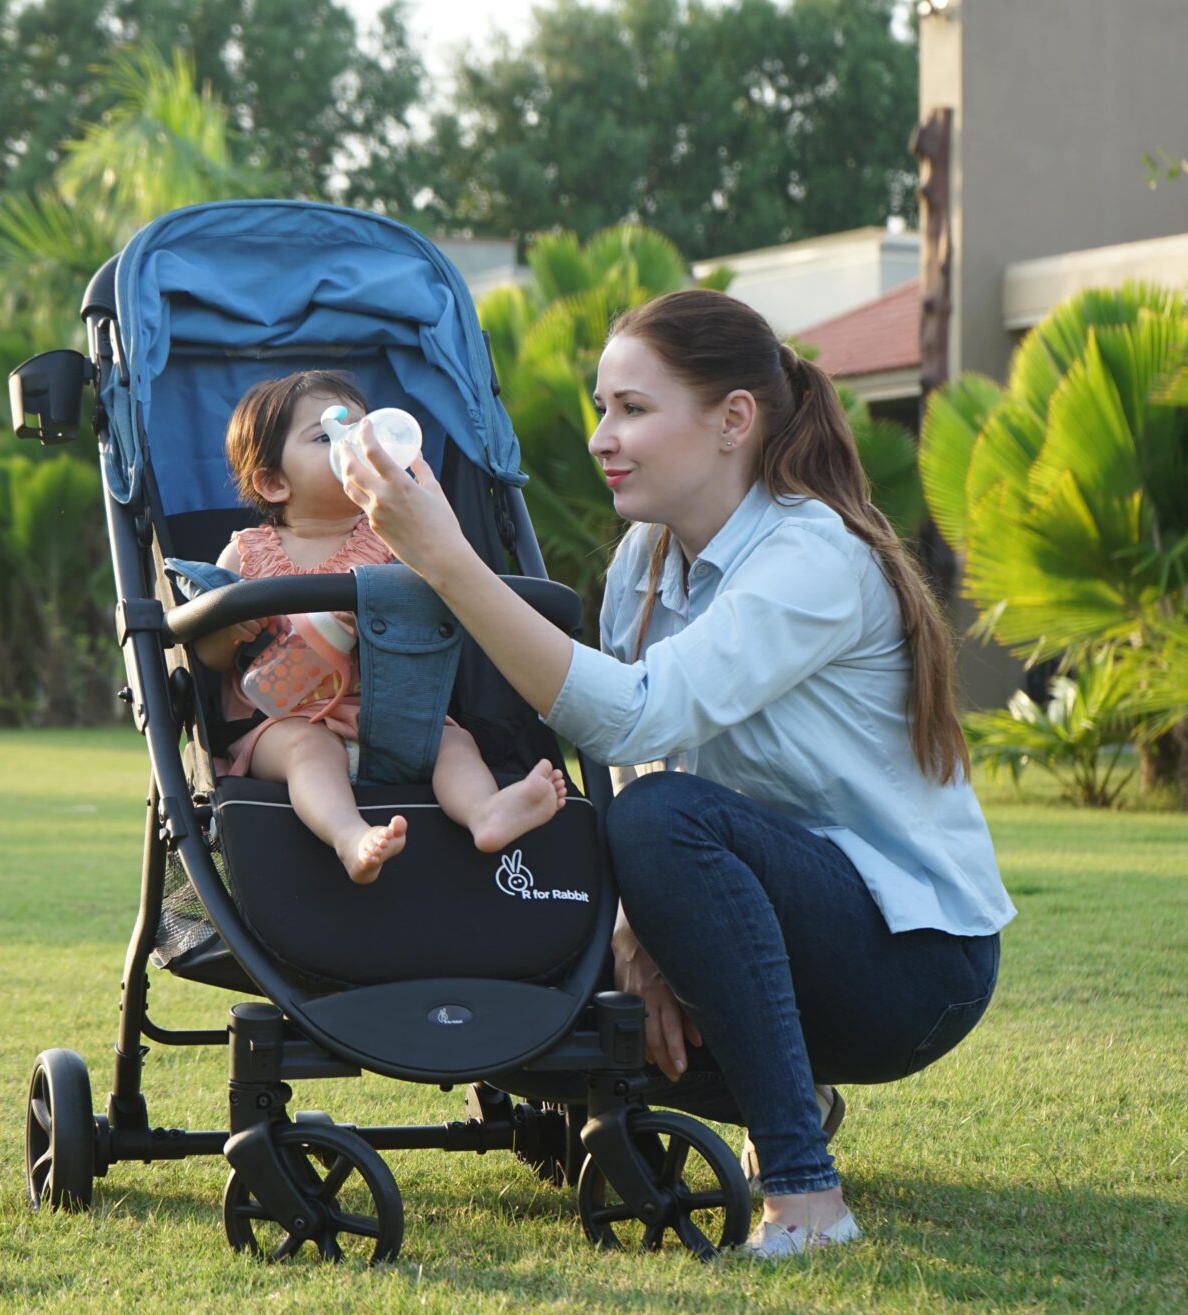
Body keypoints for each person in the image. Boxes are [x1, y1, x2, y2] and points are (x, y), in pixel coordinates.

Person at [340, 292, 1016, 1258]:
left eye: (633, 409)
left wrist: (448, 562)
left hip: (911, 965)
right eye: (601, 408)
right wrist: (633, 929)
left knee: (663, 819)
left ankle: (807, 1196)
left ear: (733, 418)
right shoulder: (644, 560)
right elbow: (622, 768)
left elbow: (635, 718)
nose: (601, 438)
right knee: (514, 1004)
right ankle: (791, 1093)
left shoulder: (813, 555)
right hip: (764, 918)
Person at [195, 370, 568, 884]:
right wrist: (227, 632)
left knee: (451, 743)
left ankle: (486, 812)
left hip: (392, 714)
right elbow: (209, 659)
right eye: (326, 437)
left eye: (363, 431)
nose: (354, 446)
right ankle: (349, 835)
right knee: (309, 751)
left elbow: (446, 608)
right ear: (274, 483)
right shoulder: (245, 553)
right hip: (284, 721)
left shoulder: (397, 541)